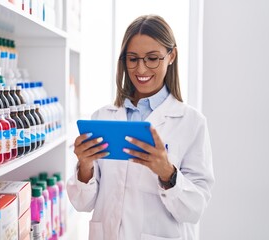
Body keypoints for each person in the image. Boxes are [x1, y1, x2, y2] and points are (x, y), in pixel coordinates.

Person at [67, 14, 215, 240]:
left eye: (152, 58)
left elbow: (195, 209)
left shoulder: (191, 122)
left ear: (171, 56)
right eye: (133, 58)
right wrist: (85, 165)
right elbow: (82, 203)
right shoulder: (103, 117)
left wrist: (167, 172)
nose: (141, 69)